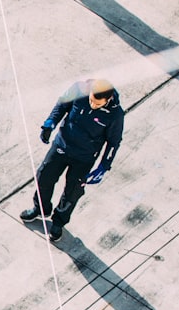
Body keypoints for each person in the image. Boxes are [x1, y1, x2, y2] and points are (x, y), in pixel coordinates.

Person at [20, 79, 124, 241]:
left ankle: (58, 222)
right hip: (62, 145)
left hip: (84, 158)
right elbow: (62, 105)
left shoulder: (115, 115)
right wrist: (50, 122)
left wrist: (104, 166)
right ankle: (40, 208)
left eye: (97, 105)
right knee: (43, 177)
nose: (92, 105)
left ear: (108, 100)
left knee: (72, 192)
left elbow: (114, 142)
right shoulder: (79, 89)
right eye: (90, 100)